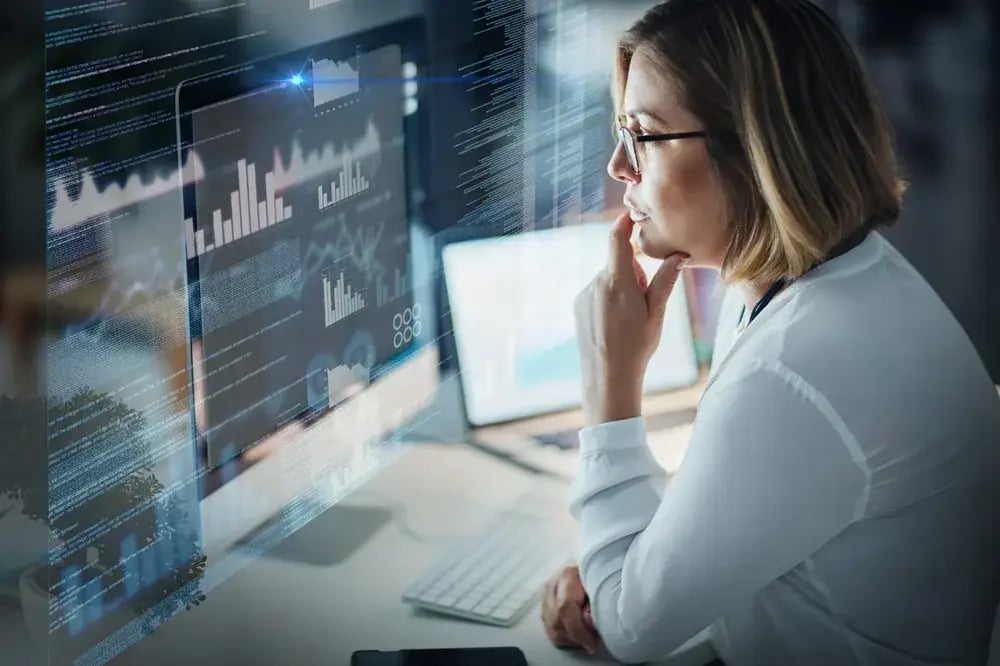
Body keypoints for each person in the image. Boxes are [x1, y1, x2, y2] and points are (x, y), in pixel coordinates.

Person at [540, 0, 1000, 664]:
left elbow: (627, 629)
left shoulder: (795, 365)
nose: (618, 165)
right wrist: (623, 562)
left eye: (643, 134)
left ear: (753, 152)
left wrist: (611, 379)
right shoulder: (830, 278)